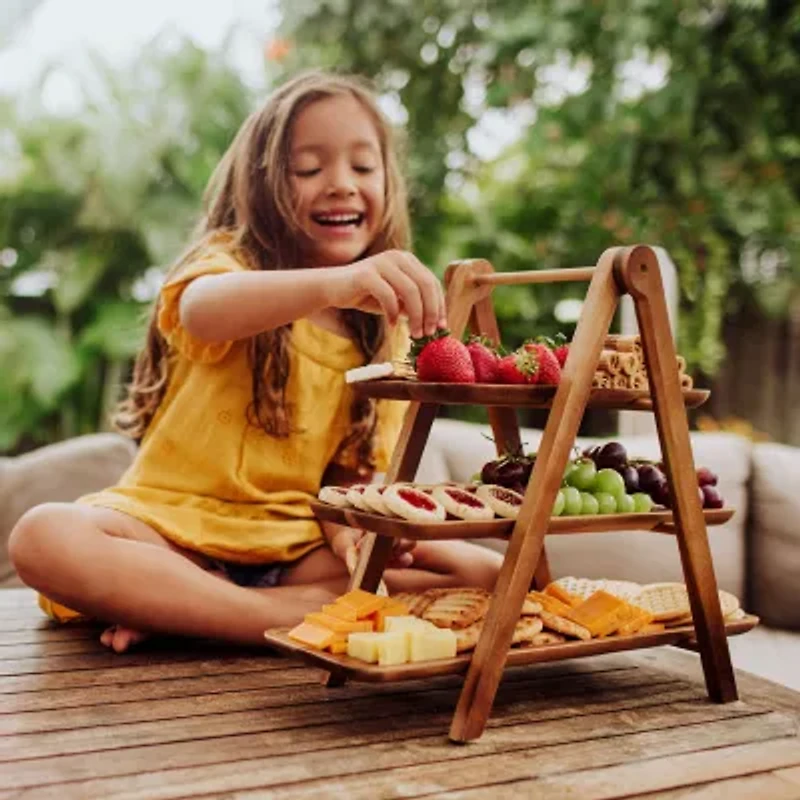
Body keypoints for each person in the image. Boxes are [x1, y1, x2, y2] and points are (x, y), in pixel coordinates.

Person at [8, 71, 502, 653]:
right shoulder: (230, 265)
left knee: (486, 573)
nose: (341, 184)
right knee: (43, 536)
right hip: (168, 532)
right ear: (263, 183)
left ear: (389, 184)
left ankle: (185, 609)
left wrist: (349, 539)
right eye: (309, 169)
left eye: (363, 168)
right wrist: (333, 284)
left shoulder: (380, 327)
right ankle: (260, 618)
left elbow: (346, 477)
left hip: (291, 549)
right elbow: (201, 311)